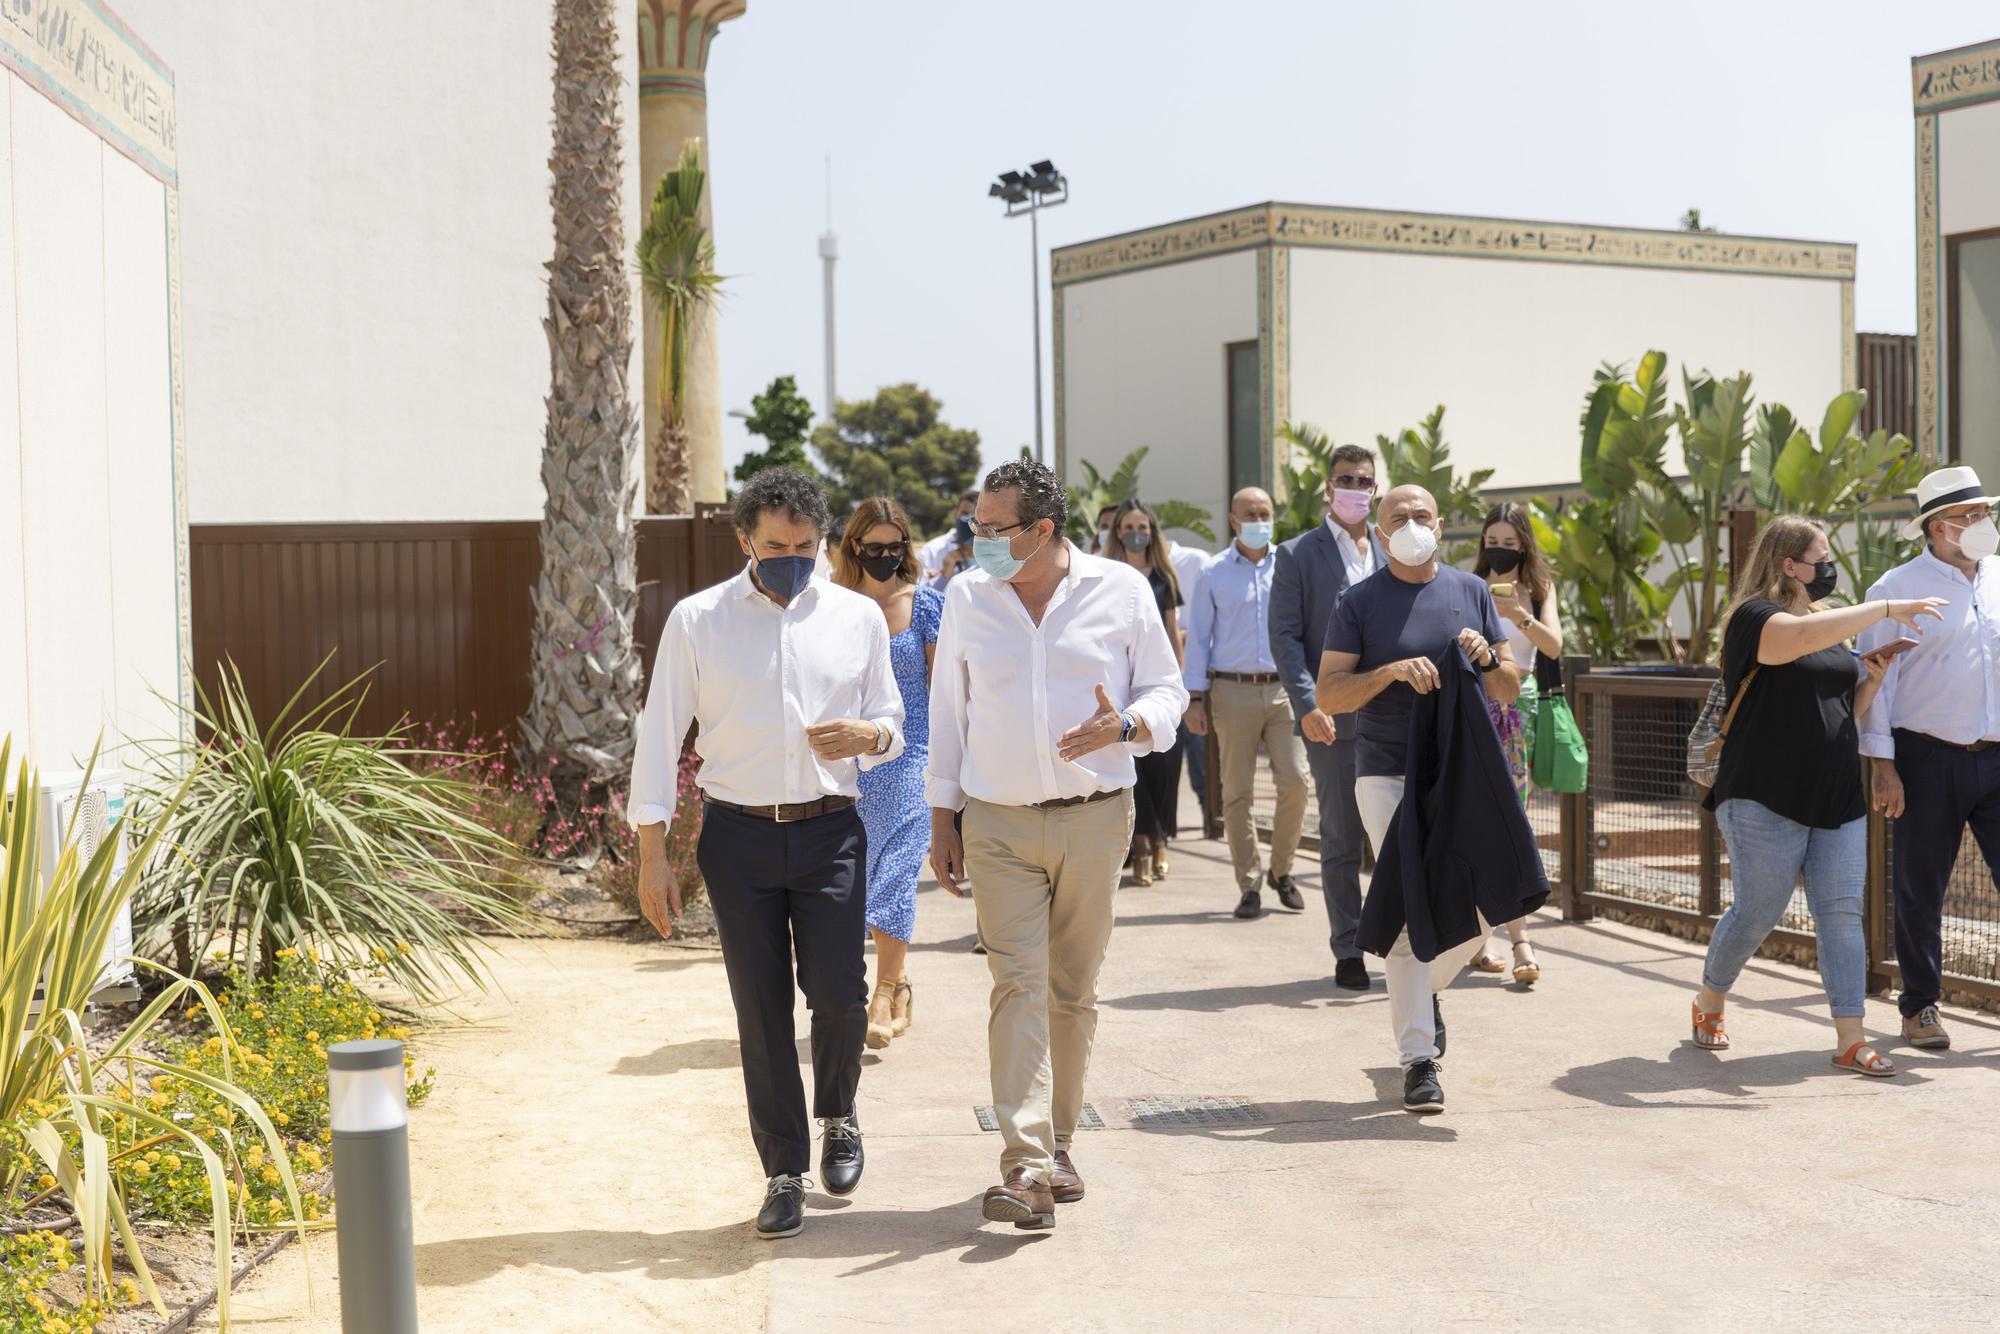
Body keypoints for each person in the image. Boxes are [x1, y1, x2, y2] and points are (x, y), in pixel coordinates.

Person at [628, 467, 906, 1241]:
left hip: (830, 830)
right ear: (745, 539)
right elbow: (659, 736)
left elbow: (891, 720)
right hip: (738, 836)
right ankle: (783, 1170)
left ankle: (840, 1112)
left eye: (808, 546)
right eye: (778, 545)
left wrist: (869, 737)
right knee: (761, 1009)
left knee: (842, 996)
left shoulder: (856, 617)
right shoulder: (698, 620)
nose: (793, 557)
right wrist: (654, 854)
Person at [927, 459, 1187, 1229]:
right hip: (998, 821)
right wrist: (945, 818)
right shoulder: (967, 599)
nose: (979, 542)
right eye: (975, 527)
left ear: (1042, 531)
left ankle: (1061, 1143)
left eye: (993, 529)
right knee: (1017, 984)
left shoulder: (1122, 590)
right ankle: (1026, 1165)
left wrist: (1129, 725)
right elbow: (950, 714)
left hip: (1097, 816)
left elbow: (1168, 690)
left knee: (1072, 990)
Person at [1694, 517, 1944, 1074]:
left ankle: (1850, 1039)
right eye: (1821, 556)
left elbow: (1840, 711)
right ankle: (1711, 996)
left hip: (1836, 795)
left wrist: (1871, 679)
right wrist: (1886, 609)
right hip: (1762, 792)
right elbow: (1794, 643)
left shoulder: (1827, 620)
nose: (1829, 566)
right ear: (1789, 564)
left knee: (1840, 913)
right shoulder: (1753, 618)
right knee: (1759, 911)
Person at [1317, 483, 1518, 1113]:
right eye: (1397, 517)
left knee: (1486, 905)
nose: (1410, 524)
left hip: (1461, 773)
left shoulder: (1471, 591)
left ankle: (1423, 991)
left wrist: (1488, 659)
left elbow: (1510, 687)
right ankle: (1418, 1061)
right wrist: (1389, 673)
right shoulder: (1358, 602)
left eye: (1421, 515)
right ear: (1379, 534)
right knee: (1407, 917)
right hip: (1385, 773)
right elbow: (1330, 694)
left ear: (1441, 524)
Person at [1859, 464, 2000, 1051]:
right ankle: (1919, 1007)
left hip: (1997, 758)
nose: (1983, 524)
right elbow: (1876, 685)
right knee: (1920, 887)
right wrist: (1882, 764)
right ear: (1938, 528)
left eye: (1985, 514)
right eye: (1971, 517)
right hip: (1924, 758)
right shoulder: (1891, 589)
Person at [1271, 444, 1386, 990]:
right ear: (1327, 486)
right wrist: (1308, 704)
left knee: (1395, 833)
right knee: (1341, 836)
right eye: (1346, 479)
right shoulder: (1297, 554)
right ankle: (1350, 947)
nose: (1356, 489)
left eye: (1365, 480)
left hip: (1393, 714)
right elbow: (1286, 638)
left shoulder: (1392, 546)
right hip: (1330, 717)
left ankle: (1404, 941)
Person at [832, 497, 943, 1051]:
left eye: (892, 547)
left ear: (906, 547)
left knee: (895, 872)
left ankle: (884, 990)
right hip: (847, 759)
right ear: (854, 547)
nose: (883, 556)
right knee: (852, 881)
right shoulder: (829, 606)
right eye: (872, 548)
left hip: (911, 756)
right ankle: (891, 987)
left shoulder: (925, 606)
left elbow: (946, 693)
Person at [1185, 487, 1309, 919]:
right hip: (1231, 690)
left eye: (1266, 512)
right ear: (1234, 521)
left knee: (1296, 781)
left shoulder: (1290, 566)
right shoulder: (1213, 572)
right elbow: (1198, 638)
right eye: (1250, 513)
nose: (1259, 519)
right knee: (1236, 792)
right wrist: (1194, 697)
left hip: (1284, 689)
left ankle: (1282, 869)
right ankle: (1250, 884)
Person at [1465, 503, 1563, 984]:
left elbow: (1554, 646)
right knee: (1476, 823)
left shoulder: (1541, 589)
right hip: (1474, 714)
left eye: (1508, 543)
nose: (1498, 551)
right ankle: (1489, 939)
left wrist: (1517, 614)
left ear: (1524, 543)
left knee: (1513, 826)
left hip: (1518, 718)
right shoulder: (1466, 584)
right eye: (1491, 541)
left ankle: (1513, 938)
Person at [1109, 498, 1185, 884]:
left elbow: (1173, 636)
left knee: (1162, 767)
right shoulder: (1106, 577)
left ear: (1152, 532)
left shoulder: (1164, 579)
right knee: (1133, 768)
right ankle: (1141, 844)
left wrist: (1177, 687)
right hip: (1119, 690)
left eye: (1143, 527)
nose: (1136, 534)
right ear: (1117, 532)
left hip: (1155, 687)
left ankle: (1159, 840)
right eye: (1128, 527)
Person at [1165, 533, 1214, 830]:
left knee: (1201, 758)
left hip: (1193, 681)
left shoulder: (1197, 562)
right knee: (1164, 760)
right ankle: (1160, 836)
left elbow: (1205, 624)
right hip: (1154, 686)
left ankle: (1211, 816)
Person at [920, 491, 979, 587]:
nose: (969, 520)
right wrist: (943, 576)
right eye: (965, 513)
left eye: (976, 516)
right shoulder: (931, 551)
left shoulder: (993, 553)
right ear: (955, 513)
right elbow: (918, 596)